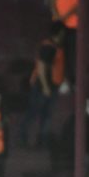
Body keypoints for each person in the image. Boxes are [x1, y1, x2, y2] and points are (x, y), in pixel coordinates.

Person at [20, 22, 66, 150]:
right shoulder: (48, 47)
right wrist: (46, 87)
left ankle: (41, 141)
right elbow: (41, 67)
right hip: (42, 88)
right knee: (34, 112)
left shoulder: (57, 47)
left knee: (46, 115)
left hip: (51, 87)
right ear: (60, 33)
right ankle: (22, 138)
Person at [49, 0, 78, 88]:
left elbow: (78, 5)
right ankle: (62, 80)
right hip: (58, 27)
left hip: (73, 26)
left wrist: (65, 16)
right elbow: (52, 1)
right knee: (59, 54)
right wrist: (57, 16)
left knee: (72, 54)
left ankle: (73, 81)